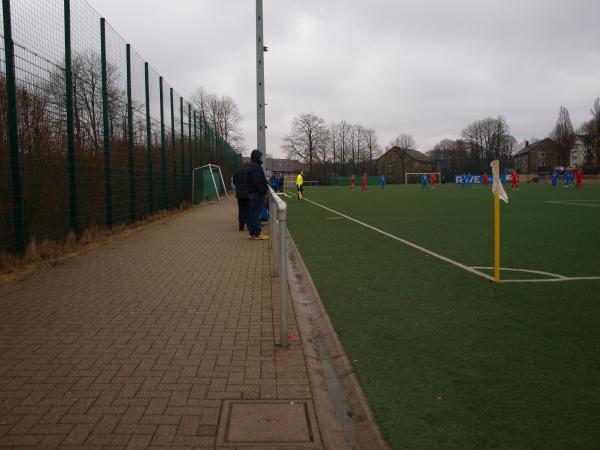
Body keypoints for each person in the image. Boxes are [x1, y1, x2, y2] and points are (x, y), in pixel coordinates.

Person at [246, 149, 269, 240]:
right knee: (256, 214)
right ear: (257, 157)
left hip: (253, 193)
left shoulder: (251, 166)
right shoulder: (256, 167)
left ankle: (253, 232)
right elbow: (257, 182)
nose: (261, 158)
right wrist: (263, 190)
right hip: (257, 194)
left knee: (253, 213)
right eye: (260, 156)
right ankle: (257, 233)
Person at [233, 162, 251, 231]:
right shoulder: (250, 172)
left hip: (239, 195)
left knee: (241, 210)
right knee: (248, 211)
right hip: (248, 195)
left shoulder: (237, 172)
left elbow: (234, 182)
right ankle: (249, 226)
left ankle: (241, 226)